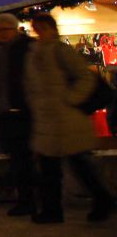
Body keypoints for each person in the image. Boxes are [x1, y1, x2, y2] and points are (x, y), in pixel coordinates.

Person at [24, 13, 114, 223]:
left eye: (44, 28)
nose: (41, 32)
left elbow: (84, 77)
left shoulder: (60, 50)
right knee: (53, 168)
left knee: (77, 165)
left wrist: (70, 98)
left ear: (53, 29)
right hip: (47, 119)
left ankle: (100, 199)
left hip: (67, 119)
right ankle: (54, 210)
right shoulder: (35, 53)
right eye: (37, 28)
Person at [0, 13, 34, 216]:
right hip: (4, 112)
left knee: (24, 158)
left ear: (15, 29)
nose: (1, 34)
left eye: (5, 30)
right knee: (16, 157)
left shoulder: (26, 48)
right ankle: (25, 198)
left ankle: (29, 199)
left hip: (23, 110)